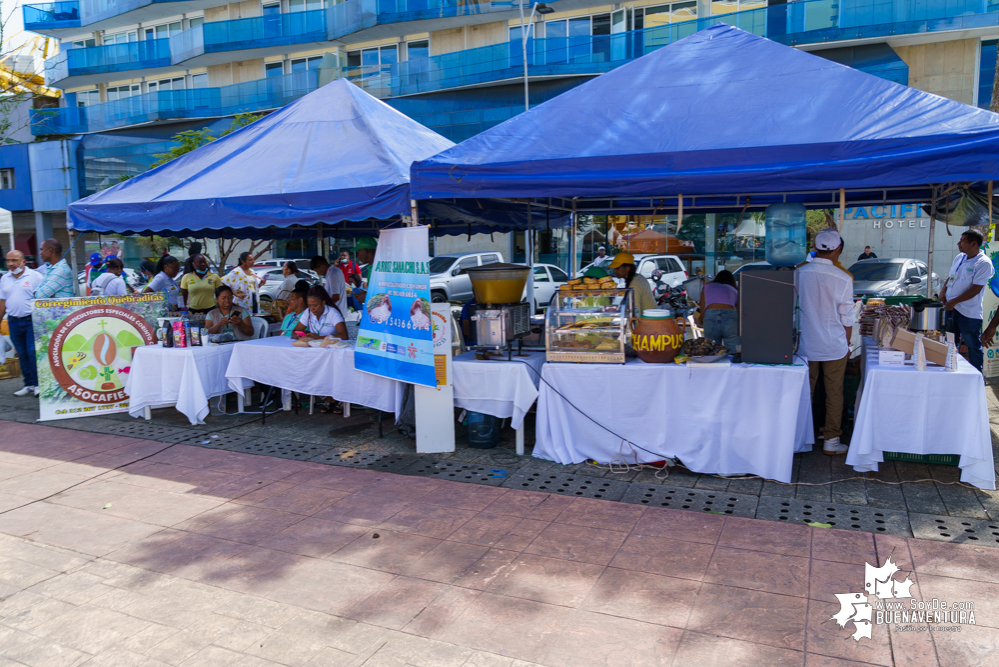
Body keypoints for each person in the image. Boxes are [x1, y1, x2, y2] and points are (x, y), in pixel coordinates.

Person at [796, 229, 855, 456]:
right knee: (834, 392)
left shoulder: (799, 273)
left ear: (816, 246)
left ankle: (801, 438)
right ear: (838, 249)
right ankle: (831, 440)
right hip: (833, 344)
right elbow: (847, 316)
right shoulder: (843, 277)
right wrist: (847, 344)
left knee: (804, 393)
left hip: (803, 344)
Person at [940, 229, 994, 372]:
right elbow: (951, 277)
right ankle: (951, 371)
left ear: (974, 243)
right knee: (950, 343)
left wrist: (953, 302)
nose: (958, 243)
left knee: (973, 346)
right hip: (951, 311)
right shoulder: (960, 257)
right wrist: (943, 292)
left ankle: (977, 376)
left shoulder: (984, 263)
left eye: (962, 240)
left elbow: (976, 289)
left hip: (969, 313)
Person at [295, 285, 348, 414]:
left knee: (330, 370)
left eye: (315, 305)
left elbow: (344, 335)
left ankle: (339, 398)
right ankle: (327, 396)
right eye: (310, 305)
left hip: (334, 352)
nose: (312, 309)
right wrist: (303, 334)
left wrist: (319, 337)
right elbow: (295, 331)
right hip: (316, 353)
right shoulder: (308, 313)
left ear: (323, 302)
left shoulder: (332, 312)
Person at [0, 250, 43, 396]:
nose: (11, 264)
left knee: (32, 352)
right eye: (8, 260)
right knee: (22, 354)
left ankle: (38, 384)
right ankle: (28, 384)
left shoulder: (35, 276)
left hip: (31, 320)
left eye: (14, 260)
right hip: (13, 321)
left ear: (23, 262)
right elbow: (3, 301)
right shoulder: (4, 278)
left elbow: (43, 299)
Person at [698, 270, 740, 351]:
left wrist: (700, 320)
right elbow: (738, 311)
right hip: (731, 315)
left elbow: (702, 308)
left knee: (711, 350)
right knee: (735, 351)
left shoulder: (707, 287)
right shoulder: (735, 290)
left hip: (710, 315)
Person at [608, 251, 657, 315]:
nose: (614, 271)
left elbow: (636, 312)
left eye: (617, 268)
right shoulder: (638, 277)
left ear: (627, 268)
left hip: (649, 321)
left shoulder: (635, 284)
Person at [180, 255, 222, 321]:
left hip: (210, 310)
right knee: (194, 330)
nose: (203, 264)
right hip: (193, 311)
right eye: (200, 262)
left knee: (211, 329)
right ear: (193, 264)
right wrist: (185, 309)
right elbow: (184, 295)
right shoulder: (186, 277)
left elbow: (220, 294)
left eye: (204, 262)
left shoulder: (214, 277)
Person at [350, 237, 378, 311]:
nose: (358, 256)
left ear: (365, 251)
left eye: (359, 252)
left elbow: (385, 293)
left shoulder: (379, 268)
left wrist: (367, 296)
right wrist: (367, 293)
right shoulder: (370, 267)